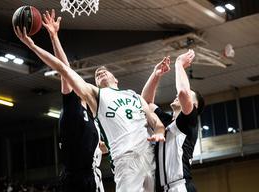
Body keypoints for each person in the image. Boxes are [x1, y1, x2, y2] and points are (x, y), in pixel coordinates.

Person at [13, 11, 166, 192]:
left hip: (143, 158)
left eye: (105, 71)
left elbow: (155, 123)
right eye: (96, 74)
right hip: (114, 165)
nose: (100, 72)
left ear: (116, 79)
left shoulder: (131, 96)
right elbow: (63, 69)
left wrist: (159, 132)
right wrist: (37, 45)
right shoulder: (91, 98)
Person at [42, 10, 104, 192]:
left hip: (92, 176)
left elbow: (95, 147)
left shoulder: (93, 114)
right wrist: (54, 37)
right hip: (76, 179)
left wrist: (100, 147)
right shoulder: (72, 106)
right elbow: (64, 69)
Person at [141, 50, 205, 192]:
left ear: (193, 106)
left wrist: (179, 64)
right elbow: (145, 103)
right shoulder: (166, 122)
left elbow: (183, 93)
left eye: (190, 97)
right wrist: (155, 75)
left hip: (180, 186)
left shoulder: (189, 122)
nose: (177, 94)